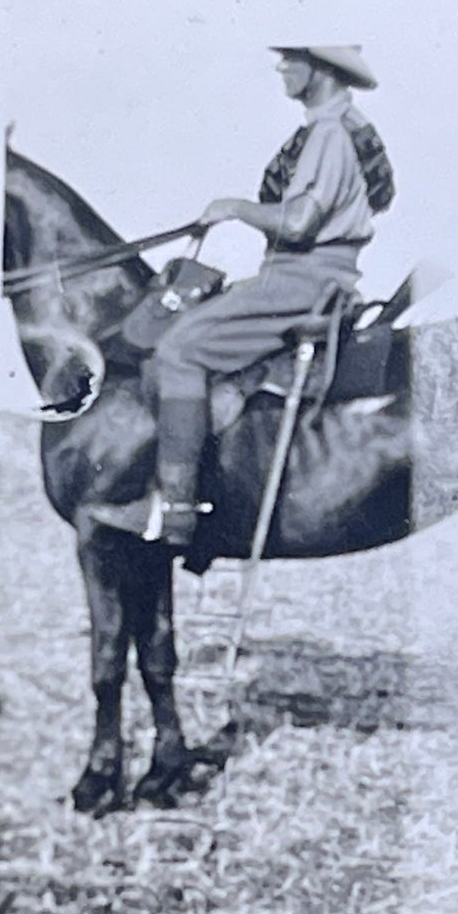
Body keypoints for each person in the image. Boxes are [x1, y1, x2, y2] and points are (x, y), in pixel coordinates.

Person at [93, 45, 394, 547]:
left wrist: (235, 207)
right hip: (305, 274)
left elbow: (298, 223)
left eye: (291, 58)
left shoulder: (328, 134)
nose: (281, 67)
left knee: (178, 349)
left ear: (321, 69)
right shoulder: (337, 127)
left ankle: (176, 512)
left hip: (305, 278)